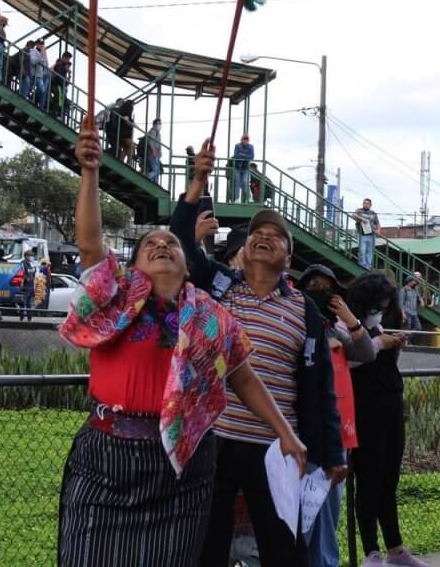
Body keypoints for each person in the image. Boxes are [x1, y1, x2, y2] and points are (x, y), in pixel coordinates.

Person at [58, 120, 305, 566]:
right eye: (150, 243)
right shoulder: (114, 296)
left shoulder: (212, 317)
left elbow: (243, 377)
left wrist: (286, 434)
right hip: (105, 458)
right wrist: (90, 171)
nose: (161, 245)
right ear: (133, 265)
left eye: (171, 243)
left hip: (183, 465)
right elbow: (91, 245)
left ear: (188, 265)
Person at [171, 141, 344, 567]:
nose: (264, 238)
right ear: (244, 250)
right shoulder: (218, 286)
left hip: (275, 448)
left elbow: (322, 387)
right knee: (207, 546)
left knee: (283, 548)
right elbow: (179, 243)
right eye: (257, 235)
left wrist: (333, 453)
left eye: (275, 237)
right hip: (214, 438)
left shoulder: (304, 309)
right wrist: (197, 183)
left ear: (288, 257)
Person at [345, 273, 426, 567]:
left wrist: (392, 344)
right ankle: (371, 551)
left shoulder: (376, 325)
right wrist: (379, 343)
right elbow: (350, 359)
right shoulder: (347, 325)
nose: (383, 307)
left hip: (391, 405)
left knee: (388, 481)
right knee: (369, 479)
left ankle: (396, 549)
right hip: (366, 409)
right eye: (380, 302)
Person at [297, 264, 376, 567]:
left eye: (326, 288)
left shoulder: (335, 331)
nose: (319, 292)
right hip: (302, 432)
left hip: (335, 433)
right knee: (303, 511)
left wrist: (350, 319)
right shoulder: (297, 325)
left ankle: (326, 562)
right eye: (313, 286)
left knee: (329, 509)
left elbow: (367, 352)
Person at [351, 198, 380, 269]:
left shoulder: (373, 213)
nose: (366, 204)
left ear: (370, 205)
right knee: (362, 251)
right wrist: (362, 219)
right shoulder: (359, 210)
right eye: (364, 203)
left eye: (367, 203)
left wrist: (378, 230)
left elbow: (377, 223)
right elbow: (353, 215)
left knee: (369, 251)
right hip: (362, 234)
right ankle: (362, 265)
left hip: (371, 235)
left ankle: (368, 266)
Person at [232, 133, 255, 203]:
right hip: (237, 167)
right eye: (244, 139)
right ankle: (237, 199)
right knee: (237, 183)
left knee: (245, 182)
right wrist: (246, 156)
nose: (245, 140)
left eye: (247, 139)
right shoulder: (237, 146)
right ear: (241, 139)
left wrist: (243, 155)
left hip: (245, 168)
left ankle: (249, 197)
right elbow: (236, 155)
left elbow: (251, 157)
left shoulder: (251, 147)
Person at [17, 249, 37, 321]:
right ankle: (22, 316)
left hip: (31, 286)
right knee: (23, 302)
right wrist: (26, 278)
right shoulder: (22, 264)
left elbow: (34, 273)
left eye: (32, 256)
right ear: (26, 256)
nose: (31, 257)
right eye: (30, 255)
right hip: (25, 286)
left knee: (29, 303)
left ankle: (29, 317)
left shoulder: (32, 264)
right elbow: (21, 273)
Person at [51, 52, 72, 118]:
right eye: (67, 59)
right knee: (59, 97)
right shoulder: (59, 64)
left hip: (60, 86)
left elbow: (65, 81)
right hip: (55, 84)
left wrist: (69, 75)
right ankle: (55, 113)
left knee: (65, 101)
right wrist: (64, 83)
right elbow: (59, 76)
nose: (68, 61)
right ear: (63, 58)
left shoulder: (63, 66)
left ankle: (59, 114)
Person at [31, 40, 50, 110]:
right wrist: (41, 56)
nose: (41, 45)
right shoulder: (33, 51)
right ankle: (32, 100)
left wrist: (44, 54)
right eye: (40, 44)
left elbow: (46, 65)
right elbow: (33, 61)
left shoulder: (43, 53)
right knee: (29, 86)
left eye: (42, 44)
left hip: (40, 75)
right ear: (37, 44)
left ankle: (40, 106)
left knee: (42, 90)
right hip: (34, 74)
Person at [146, 117, 163, 183]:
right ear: (154, 124)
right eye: (159, 124)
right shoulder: (153, 131)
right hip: (153, 154)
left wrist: (160, 153)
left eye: (160, 124)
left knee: (157, 171)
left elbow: (159, 145)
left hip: (156, 154)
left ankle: (155, 183)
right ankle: (147, 177)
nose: (160, 125)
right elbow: (151, 142)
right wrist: (154, 151)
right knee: (155, 171)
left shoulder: (158, 133)